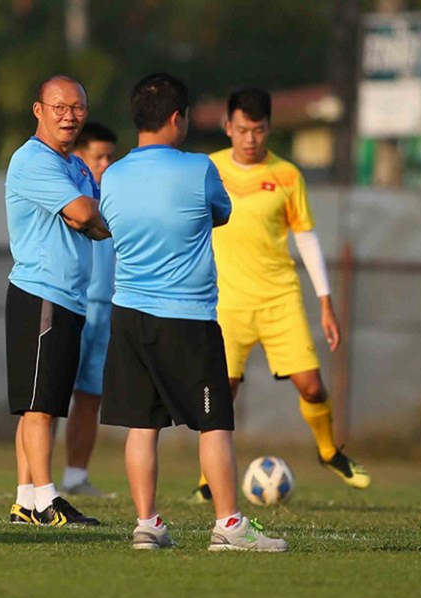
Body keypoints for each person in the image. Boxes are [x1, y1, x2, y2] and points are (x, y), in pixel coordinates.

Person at [100, 72, 287, 552]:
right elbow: (220, 212)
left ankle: (147, 524)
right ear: (177, 119)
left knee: (143, 427)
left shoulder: (113, 174)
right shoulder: (199, 169)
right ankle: (229, 526)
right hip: (187, 317)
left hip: (128, 316)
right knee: (214, 423)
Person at [192, 87, 370, 502]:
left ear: (269, 128)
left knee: (311, 386)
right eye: (242, 129)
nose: (250, 138)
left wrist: (326, 301)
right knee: (222, 393)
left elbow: (305, 237)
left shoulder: (288, 174)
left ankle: (329, 451)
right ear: (227, 128)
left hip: (279, 298)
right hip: (226, 301)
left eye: (258, 130)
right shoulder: (207, 169)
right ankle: (207, 477)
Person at [5, 75, 110, 527]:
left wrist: (85, 217)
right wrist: (83, 216)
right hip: (41, 293)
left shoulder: (78, 168)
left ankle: (26, 500)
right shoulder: (33, 160)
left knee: (42, 403)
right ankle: (46, 499)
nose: (70, 116)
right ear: (38, 110)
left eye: (78, 107)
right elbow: (89, 214)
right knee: (41, 406)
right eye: (59, 107)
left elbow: (100, 222)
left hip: (69, 297)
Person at [62, 122, 118, 496]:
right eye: (98, 156)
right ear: (79, 156)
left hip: (108, 309)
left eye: (110, 157)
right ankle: (35, 480)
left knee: (90, 395)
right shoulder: (69, 196)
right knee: (49, 396)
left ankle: (75, 476)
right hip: (72, 303)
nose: (104, 163)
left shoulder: (117, 197)